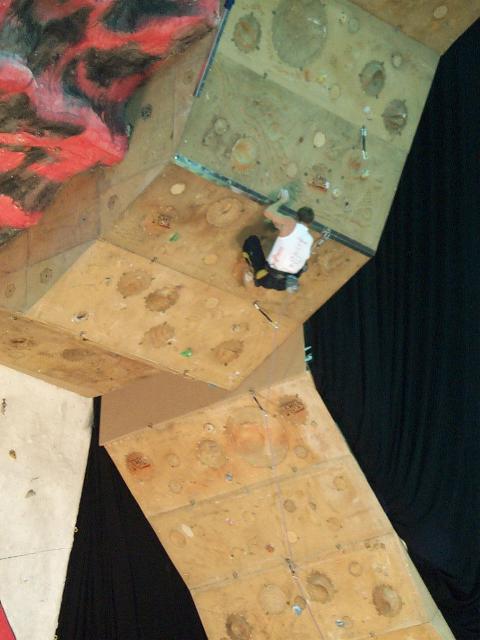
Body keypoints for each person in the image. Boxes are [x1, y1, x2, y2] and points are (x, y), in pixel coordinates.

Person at [242, 190, 314, 292]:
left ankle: (253, 273)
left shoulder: (290, 223)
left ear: (296, 216)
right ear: (310, 223)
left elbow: (268, 212)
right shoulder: (309, 239)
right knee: (301, 262)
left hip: (267, 278)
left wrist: (282, 200)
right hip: (285, 284)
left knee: (251, 241)